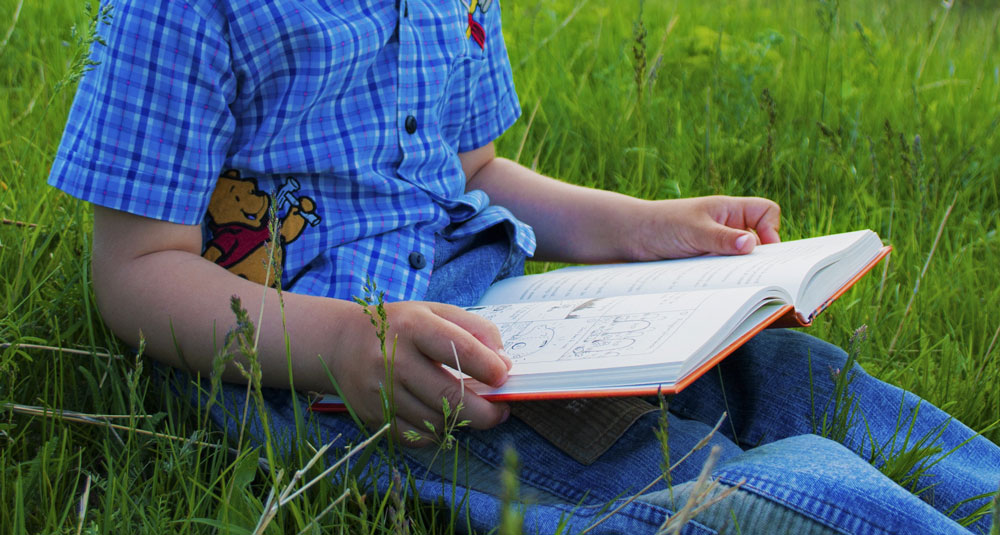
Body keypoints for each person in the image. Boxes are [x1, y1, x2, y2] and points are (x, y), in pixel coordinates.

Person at [49, 1, 998, 533]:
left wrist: (644, 230)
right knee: (685, 477)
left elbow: (476, 171)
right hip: (354, 374)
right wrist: (343, 343)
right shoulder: (180, 8)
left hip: (502, 310)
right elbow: (136, 267)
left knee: (784, 376)